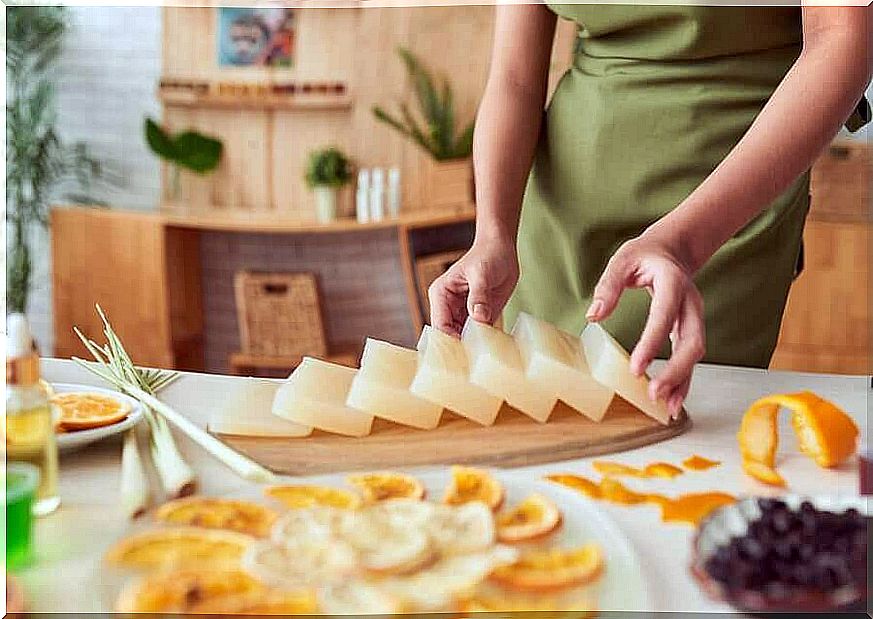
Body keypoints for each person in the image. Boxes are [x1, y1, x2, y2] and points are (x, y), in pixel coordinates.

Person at [429, 5, 871, 418]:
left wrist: (682, 244)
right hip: (558, 217)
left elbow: (840, 40)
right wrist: (493, 231)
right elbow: (513, 79)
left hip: (723, 205)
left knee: (678, 429)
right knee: (540, 419)